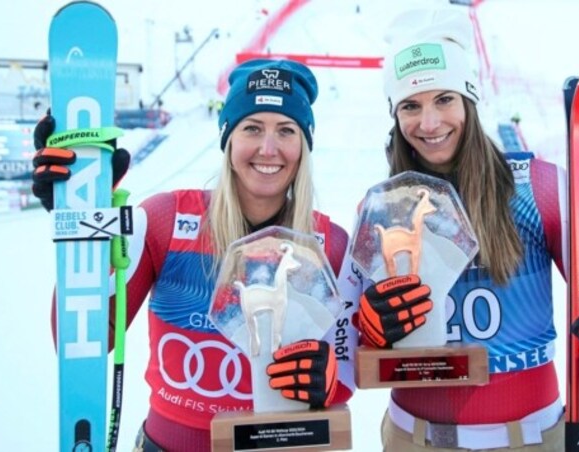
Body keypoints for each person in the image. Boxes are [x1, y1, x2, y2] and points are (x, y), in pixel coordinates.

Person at [339, 8, 579, 451]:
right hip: (412, 438)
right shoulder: (380, 207)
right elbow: (343, 348)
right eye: (410, 105)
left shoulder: (538, 188)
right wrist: (371, 329)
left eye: (444, 99)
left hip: (529, 438)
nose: (428, 124)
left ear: (470, 99)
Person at [31, 59, 356, 451]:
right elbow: (86, 341)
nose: (268, 149)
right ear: (228, 138)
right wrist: (83, 227)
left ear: (303, 146)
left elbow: (344, 377)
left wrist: (328, 379)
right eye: (251, 128)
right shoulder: (166, 220)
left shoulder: (330, 245)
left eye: (286, 131)